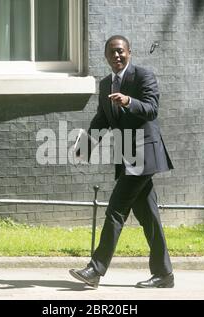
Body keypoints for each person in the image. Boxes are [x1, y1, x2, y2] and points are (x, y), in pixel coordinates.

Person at [69, 35, 175, 289]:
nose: (116, 56)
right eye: (111, 53)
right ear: (106, 57)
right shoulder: (106, 84)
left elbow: (151, 109)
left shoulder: (143, 76)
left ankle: (95, 269)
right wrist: (86, 145)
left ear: (129, 52)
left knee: (115, 209)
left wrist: (129, 101)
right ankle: (164, 274)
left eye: (120, 52)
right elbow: (102, 119)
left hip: (144, 156)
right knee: (149, 217)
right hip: (126, 157)